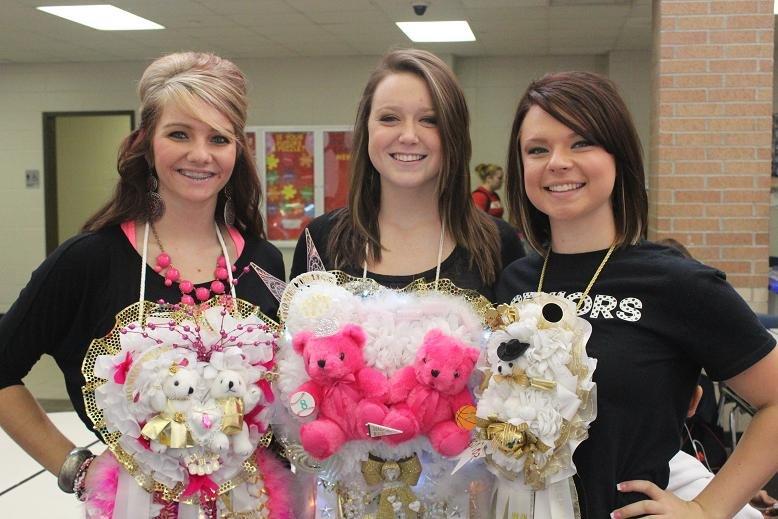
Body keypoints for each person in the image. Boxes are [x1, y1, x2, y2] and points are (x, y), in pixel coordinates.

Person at [0, 52, 284, 506]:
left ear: (237, 150)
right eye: (179, 134)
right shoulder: (90, 259)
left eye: (218, 138)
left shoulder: (264, 260)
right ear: (146, 143)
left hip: (252, 504)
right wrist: (73, 468)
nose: (200, 154)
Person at [496, 71, 778, 518]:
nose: (557, 162)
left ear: (618, 155)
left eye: (581, 142)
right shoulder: (513, 282)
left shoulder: (678, 284)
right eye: (537, 149)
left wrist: (707, 508)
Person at [290, 50, 523, 299]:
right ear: (366, 128)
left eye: (430, 120)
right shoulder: (321, 239)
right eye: (390, 118)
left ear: (454, 134)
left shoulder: (498, 244)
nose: (409, 136)